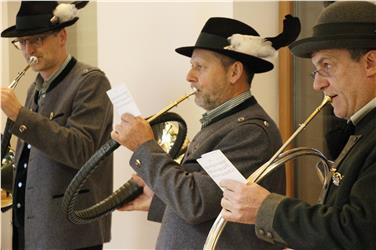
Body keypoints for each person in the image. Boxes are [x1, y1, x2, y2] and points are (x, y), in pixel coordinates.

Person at [111, 16, 300, 249]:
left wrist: (144, 147)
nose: (189, 77)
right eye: (191, 66)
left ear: (234, 72)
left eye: (200, 67)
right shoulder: (225, 123)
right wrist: (158, 200)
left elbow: (195, 204)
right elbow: (210, 201)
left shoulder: (250, 132)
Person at [219, 1, 376, 249]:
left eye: (327, 66)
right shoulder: (362, 129)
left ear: (370, 63)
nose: (318, 85)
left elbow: (359, 232)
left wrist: (267, 209)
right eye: (316, 71)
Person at [0, 1, 113, 249]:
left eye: (37, 40)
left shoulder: (91, 82)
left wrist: (19, 115)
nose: (29, 49)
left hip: (69, 233)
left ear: (62, 36)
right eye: (23, 42)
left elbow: (82, 150)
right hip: (29, 226)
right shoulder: (34, 88)